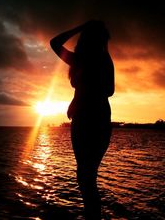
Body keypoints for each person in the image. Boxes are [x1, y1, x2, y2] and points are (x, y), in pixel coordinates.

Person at [50, 20, 115, 219]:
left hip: (90, 120)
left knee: (86, 176)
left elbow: (108, 90)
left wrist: (79, 98)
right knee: (86, 176)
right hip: (94, 119)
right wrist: (78, 98)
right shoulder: (93, 60)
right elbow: (55, 43)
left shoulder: (90, 60)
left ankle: (92, 216)